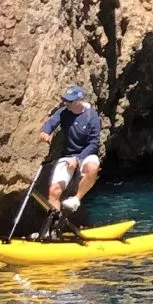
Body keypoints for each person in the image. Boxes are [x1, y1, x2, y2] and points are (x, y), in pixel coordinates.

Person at [39, 83, 104, 232]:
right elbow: (51, 123)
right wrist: (46, 132)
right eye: (65, 100)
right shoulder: (64, 112)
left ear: (78, 101)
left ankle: (76, 199)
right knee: (54, 191)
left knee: (93, 167)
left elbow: (94, 143)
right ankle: (53, 229)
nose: (65, 103)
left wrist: (78, 159)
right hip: (67, 156)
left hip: (86, 154)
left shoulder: (91, 116)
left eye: (68, 101)